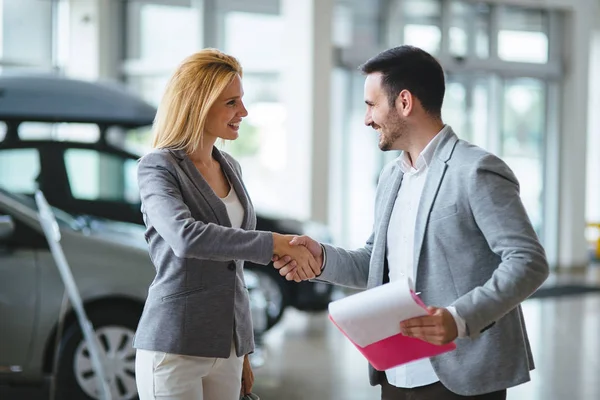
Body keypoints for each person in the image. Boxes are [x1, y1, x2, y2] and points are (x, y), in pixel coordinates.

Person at [274, 45, 549, 400]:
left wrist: (458, 318)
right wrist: (320, 258)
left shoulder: (475, 170)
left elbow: (528, 261)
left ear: (404, 102)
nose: (367, 118)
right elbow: (374, 262)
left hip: (463, 372)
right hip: (397, 369)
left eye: (371, 105)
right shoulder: (393, 176)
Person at [133, 49, 320, 400]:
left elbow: (232, 270)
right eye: (231, 102)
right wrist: (272, 243)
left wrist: (242, 348)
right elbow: (185, 238)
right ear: (199, 103)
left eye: (242, 101)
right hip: (175, 345)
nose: (243, 113)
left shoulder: (230, 165)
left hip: (228, 348)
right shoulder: (157, 167)